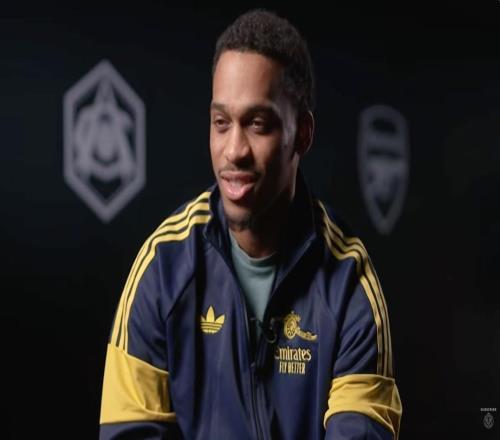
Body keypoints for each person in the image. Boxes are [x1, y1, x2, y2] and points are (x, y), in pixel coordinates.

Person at [99, 9, 402, 440]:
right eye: (221, 123)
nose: (234, 150)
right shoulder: (163, 267)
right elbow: (127, 430)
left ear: (302, 134)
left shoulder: (348, 279)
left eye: (257, 124)